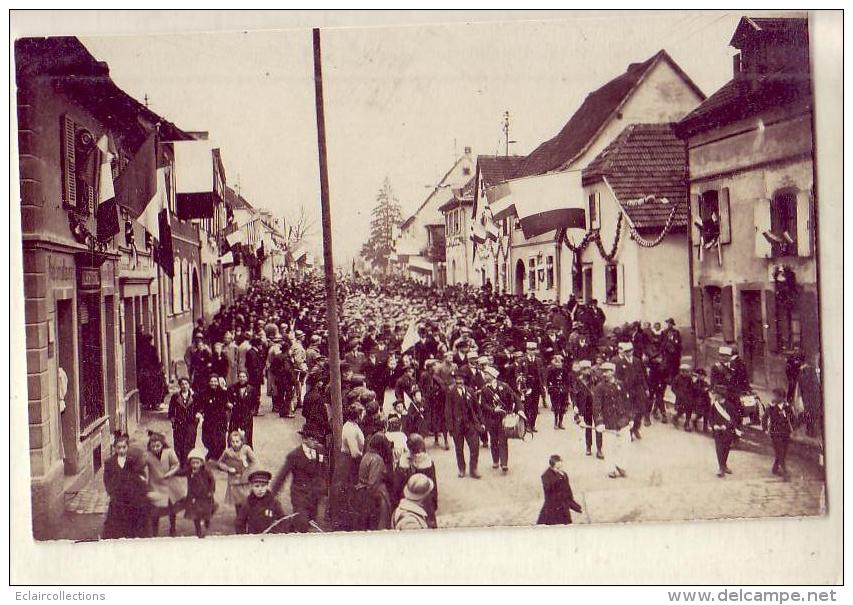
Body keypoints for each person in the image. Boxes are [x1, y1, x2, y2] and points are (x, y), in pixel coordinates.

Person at [270, 426, 329, 533]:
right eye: (312, 439)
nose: (315, 442)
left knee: (310, 521)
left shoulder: (320, 450)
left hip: (314, 495)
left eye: (317, 439)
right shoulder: (294, 456)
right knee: (302, 522)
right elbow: (282, 476)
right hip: (299, 494)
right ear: (304, 439)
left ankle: (294, 528)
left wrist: (323, 487)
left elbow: (324, 470)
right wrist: (272, 494)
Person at [102, 434, 150, 539]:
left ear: (127, 447)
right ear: (115, 448)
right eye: (119, 448)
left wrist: (140, 483)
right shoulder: (109, 462)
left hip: (130, 496)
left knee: (130, 519)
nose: (121, 450)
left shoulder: (131, 461)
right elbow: (107, 479)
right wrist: (111, 491)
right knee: (116, 521)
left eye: (124, 447)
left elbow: (139, 474)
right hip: (117, 497)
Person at [329, 403, 365, 531]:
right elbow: (354, 452)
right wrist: (365, 456)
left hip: (348, 461)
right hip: (348, 462)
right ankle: (341, 521)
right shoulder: (350, 429)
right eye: (362, 413)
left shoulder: (352, 426)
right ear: (358, 415)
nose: (364, 415)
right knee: (345, 489)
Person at [592, 362, 631, 479]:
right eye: (603, 371)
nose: (604, 374)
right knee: (609, 447)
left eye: (607, 371)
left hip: (622, 420)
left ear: (613, 372)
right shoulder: (599, 387)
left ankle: (621, 465)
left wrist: (630, 418)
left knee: (625, 445)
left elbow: (627, 402)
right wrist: (599, 422)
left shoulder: (621, 384)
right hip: (609, 422)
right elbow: (597, 406)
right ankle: (611, 468)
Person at [478, 366, 520, 474]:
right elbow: (483, 404)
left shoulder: (504, 386)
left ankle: (504, 463)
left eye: (487, 374)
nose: (485, 376)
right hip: (491, 419)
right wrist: (493, 409)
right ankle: (495, 460)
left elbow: (513, 398)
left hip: (503, 418)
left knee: (503, 440)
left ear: (492, 376)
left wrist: (512, 410)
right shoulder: (484, 389)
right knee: (493, 440)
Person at [143, 431, 183, 537]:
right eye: (153, 446)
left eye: (158, 446)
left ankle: (173, 527)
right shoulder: (148, 456)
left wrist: (169, 473)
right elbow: (141, 465)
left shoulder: (169, 452)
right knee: (155, 511)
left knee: (171, 509)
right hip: (155, 486)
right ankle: (154, 532)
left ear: (162, 445)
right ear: (149, 446)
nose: (155, 448)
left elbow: (176, 465)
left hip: (169, 485)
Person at [445, 371, 483, 479]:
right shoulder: (451, 393)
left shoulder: (470, 391)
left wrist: (481, 422)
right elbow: (447, 410)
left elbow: (477, 408)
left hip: (470, 424)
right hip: (457, 426)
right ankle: (461, 469)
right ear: (454, 380)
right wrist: (450, 427)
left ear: (464, 380)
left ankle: (473, 469)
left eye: (461, 379)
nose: (459, 382)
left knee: (475, 447)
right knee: (459, 449)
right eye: (457, 380)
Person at [394, 434, 438, 527]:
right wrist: (434, 502)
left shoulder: (402, 461)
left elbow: (397, 485)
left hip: (406, 497)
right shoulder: (427, 461)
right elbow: (433, 485)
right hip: (425, 499)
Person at [352, 433, 393, 531]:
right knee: (381, 522)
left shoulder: (367, 455)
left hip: (362, 491)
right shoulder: (377, 459)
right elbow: (373, 483)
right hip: (373, 494)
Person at [216, 430, 258, 518]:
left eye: (237, 441)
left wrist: (248, 471)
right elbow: (219, 463)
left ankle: (248, 516)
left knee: (247, 499)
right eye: (232, 441)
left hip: (245, 480)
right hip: (234, 480)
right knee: (237, 501)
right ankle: (240, 518)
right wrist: (228, 468)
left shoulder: (246, 449)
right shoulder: (227, 452)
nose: (235, 444)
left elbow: (254, 462)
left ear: (242, 441)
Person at [612, 342, 648, 438]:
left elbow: (642, 375)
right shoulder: (620, 363)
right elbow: (618, 377)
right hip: (627, 390)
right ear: (624, 352)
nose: (629, 353)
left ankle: (636, 428)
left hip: (638, 389)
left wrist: (646, 388)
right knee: (629, 411)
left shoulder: (637, 361)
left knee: (640, 410)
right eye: (627, 351)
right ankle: (630, 431)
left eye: (630, 351)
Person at [235, 469, 286, 534]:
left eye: (263, 486)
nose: (260, 489)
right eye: (257, 486)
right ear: (251, 487)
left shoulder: (273, 502)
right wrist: (244, 537)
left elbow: (283, 520)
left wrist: (278, 533)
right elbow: (239, 523)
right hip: (254, 538)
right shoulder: (248, 503)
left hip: (271, 538)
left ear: (267, 486)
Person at [537, 454, 583, 525]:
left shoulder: (563, 475)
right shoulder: (546, 476)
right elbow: (548, 489)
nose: (560, 470)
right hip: (552, 509)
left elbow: (568, 492)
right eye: (557, 468)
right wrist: (558, 478)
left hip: (563, 507)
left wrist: (574, 505)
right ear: (551, 467)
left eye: (561, 467)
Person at [709, 384, 742, 478]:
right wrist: (714, 425)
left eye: (716, 394)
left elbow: (735, 418)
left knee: (726, 449)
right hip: (717, 431)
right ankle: (721, 468)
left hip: (727, 432)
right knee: (719, 450)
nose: (715, 395)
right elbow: (711, 417)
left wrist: (726, 426)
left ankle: (724, 465)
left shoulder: (730, 406)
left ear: (721, 395)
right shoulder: (714, 406)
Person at [168, 377, 200, 471]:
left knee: (189, 444)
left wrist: (197, 418)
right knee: (179, 444)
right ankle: (179, 465)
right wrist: (173, 420)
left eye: (186, 384)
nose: (184, 386)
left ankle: (188, 465)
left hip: (191, 424)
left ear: (189, 385)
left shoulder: (194, 396)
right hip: (179, 424)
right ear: (180, 385)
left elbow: (199, 409)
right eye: (182, 384)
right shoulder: (175, 397)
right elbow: (171, 410)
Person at [184, 448, 216, 538]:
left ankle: (207, 520)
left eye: (197, 463)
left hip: (205, 496)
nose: (195, 465)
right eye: (193, 463)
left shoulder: (206, 472)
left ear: (202, 463)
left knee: (206, 511)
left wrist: (211, 491)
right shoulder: (189, 472)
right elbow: (182, 473)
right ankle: (198, 530)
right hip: (194, 496)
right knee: (195, 514)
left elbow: (212, 481)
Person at [198, 373, 231, 461]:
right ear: (208, 382)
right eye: (211, 381)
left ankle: (217, 459)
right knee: (207, 440)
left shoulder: (223, 393)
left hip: (220, 421)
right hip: (209, 421)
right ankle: (212, 454)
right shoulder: (204, 393)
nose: (213, 383)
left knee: (221, 441)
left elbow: (227, 404)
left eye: (215, 381)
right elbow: (200, 405)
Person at [572, 360, 601, 458]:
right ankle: (588, 447)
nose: (587, 371)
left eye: (588, 368)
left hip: (596, 406)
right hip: (586, 406)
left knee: (598, 427)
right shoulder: (578, 380)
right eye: (585, 369)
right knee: (588, 427)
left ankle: (599, 449)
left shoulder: (595, 379)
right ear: (581, 370)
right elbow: (575, 394)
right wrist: (575, 406)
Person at [763, 389, 795, 479]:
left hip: (786, 432)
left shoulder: (787, 407)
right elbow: (764, 418)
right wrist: (765, 429)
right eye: (774, 396)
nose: (774, 398)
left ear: (782, 397)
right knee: (780, 451)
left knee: (783, 452)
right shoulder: (771, 406)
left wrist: (793, 429)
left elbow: (792, 418)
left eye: (776, 396)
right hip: (775, 432)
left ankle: (775, 468)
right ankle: (784, 471)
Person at [519, 342, 545, 432]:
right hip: (527, 386)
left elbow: (542, 374)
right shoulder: (522, 360)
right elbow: (518, 373)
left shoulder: (539, 360)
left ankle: (532, 425)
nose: (531, 351)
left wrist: (543, 385)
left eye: (533, 350)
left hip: (537, 385)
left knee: (535, 406)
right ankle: (526, 425)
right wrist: (521, 382)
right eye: (530, 350)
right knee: (527, 406)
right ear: (527, 350)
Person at [227, 371, 258, 447]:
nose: (242, 378)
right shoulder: (232, 388)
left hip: (246, 417)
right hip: (235, 416)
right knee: (233, 436)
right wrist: (229, 404)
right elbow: (228, 399)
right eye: (240, 377)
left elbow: (255, 402)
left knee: (246, 437)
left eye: (244, 377)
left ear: (247, 378)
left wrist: (251, 411)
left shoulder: (251, 389)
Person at [546, 354, 570, 429]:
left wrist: (565, 388)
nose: (559, 364)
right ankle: (555, 422)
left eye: (560, 362)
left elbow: (567, 381)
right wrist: (552, 388)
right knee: (556, 407)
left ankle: (560, 422)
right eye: (557, 362)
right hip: (554, 391)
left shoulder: (565, 370)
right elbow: (548, 381)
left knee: (563, 408)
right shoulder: (551, 370)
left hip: (563, 391)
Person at [671, 364, 696, 431]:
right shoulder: (677, 378)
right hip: (680, 397)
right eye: (684, 371)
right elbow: (673, 388)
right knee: (681, 409)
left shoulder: (689, 379)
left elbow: (692, 387)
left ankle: (687, 423)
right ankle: (676, 417)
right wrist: (678, 393)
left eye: (687, 372)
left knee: (689, 409)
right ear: (681, 371)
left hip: (688, 397)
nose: (685, 373)